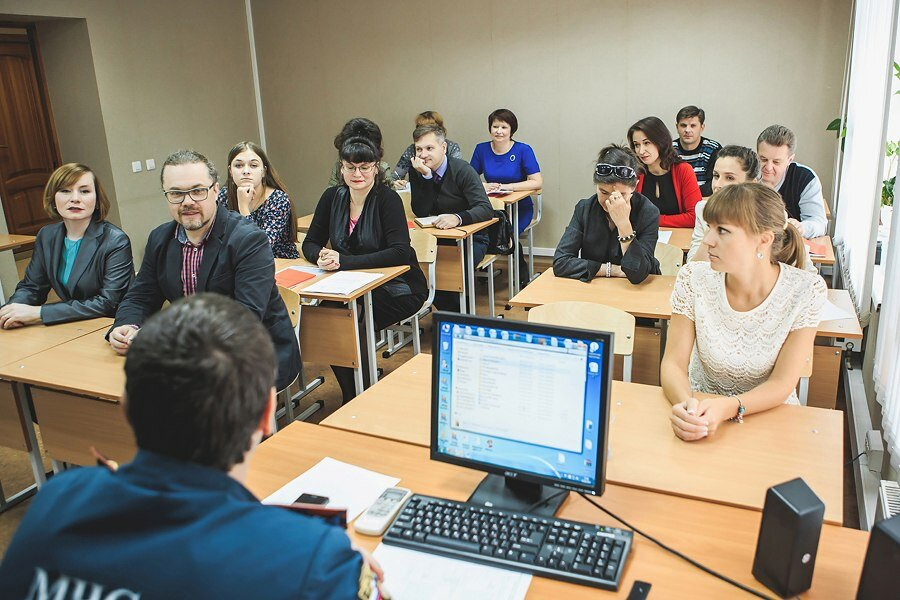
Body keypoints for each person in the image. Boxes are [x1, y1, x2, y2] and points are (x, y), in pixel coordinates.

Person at [0, 294, 383, 599]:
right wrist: (345, 576)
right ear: (268, 412)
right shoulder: (310, 561)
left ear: (127, 409)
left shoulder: (58, 501)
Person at [107, 149, 300, 391]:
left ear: (216, 190)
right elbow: (140, 296)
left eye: (198, 191)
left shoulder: (248, 239)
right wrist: (127, 326)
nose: (187, 202)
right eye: (176, 193)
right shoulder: (160, 239)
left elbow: (245, 317)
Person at [662, 183, 826, 442]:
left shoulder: (805, 290)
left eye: (722, 231)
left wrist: (727, 408)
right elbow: (673, 364)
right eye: (709, 228)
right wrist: (689, 409)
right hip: (701, 410)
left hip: (771, 419)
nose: (708, 240)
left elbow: (782, 384)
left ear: (764, 239)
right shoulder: (693, 277)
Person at [304, 135, 428, 403]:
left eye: (364, 167)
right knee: (329, 319)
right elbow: (310, 242)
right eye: (350, 167)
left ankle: (364, 392)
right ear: (341, 168)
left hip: (399, 287)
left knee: (351, 320)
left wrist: (344, 261)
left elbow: (399, 252)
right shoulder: (332, 197)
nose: (356, 173)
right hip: (347, 287)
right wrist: (321, 256)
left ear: (376, 167)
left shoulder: (387, 199)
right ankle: (354, 392)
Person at [0, 163, 133, 329]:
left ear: (97, 200)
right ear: (53, 199)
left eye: (84, 191)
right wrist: (11, 311)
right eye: (65, 191)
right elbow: (32, 287)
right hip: (70, 324)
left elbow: (108, 303)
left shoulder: (115, 240)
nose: (75, 198)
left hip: (112, 326)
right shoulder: (47, 235)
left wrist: (38, 313)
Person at [409, 123, 493, 310]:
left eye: (429, 148)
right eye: (418, 149)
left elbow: (485, 208)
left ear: (444, 148)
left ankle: (459, 319)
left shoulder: (462, 170)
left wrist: (458, 217)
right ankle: (451, 317)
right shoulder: (418, 171)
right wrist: (427, 178)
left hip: (472, 239)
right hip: (437, 239)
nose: (423, 155)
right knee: (423, 272)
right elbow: (421, 210)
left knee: (450, 275)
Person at [553, 144, 660, 284]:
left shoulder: (648, 212)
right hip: (595, 288)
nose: (611, 200)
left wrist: (623, 225)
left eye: (621, 194)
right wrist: (612, 270)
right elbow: (561, 263)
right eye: (603, 192)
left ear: (634, 187)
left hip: (637, 291)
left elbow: (637, 274)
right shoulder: (584, 208)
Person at [216, 141, 300, 258]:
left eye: (253, 165)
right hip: (237, 264)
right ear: (230, 171)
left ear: (264, 171)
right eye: (238, 165)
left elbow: (260, 248)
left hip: (278, 263)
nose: (246, 171)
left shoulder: (278, 199)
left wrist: (243, 207)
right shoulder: (223, 196)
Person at [688, 145, 760, 261]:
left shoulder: (767, 215)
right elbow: (693, 266)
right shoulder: (703, 209)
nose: (717, 185)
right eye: (716, 176)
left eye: (729, 178)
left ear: (752, 184)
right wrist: (713, 224)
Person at [628, 116, 702, 228]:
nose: (641, 151)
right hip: (644, 237)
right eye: (637, 145)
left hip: (679, 239)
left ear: (660, 141)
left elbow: (694, 217)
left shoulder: (683, 170)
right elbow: (631, 215)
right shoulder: (637, 173)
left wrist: (653, 220)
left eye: (646, 143)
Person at [756, 124, 827, 239]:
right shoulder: (747, 173)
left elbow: (819, 223)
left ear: (790, 160)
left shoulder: (804, 178)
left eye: (776, 162)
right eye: (763, 159)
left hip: (789, 248)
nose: (768, 167)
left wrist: (802, 227)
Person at [392, 110, 463, 186]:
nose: (423, 155)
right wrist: (395, 183)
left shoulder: (452, 147)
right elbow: (396, 176)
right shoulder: (411, 150)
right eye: (421, 128)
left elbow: (457, 176)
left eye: (429, 148)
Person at [328, 117, 394, 187]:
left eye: (364, 168)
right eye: (350, 167)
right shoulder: (340, 167)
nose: (357, 174)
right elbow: (331, 193)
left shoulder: (382, 168)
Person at [672, 105, 721, 197]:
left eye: (693, 126)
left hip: (705, 200)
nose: (687, 130)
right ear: (677, 127)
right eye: (683, 125)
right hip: (676, 201)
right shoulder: (669, 150)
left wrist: (690, 194)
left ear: (702, 127)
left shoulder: (713, 149)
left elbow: (715, 183)